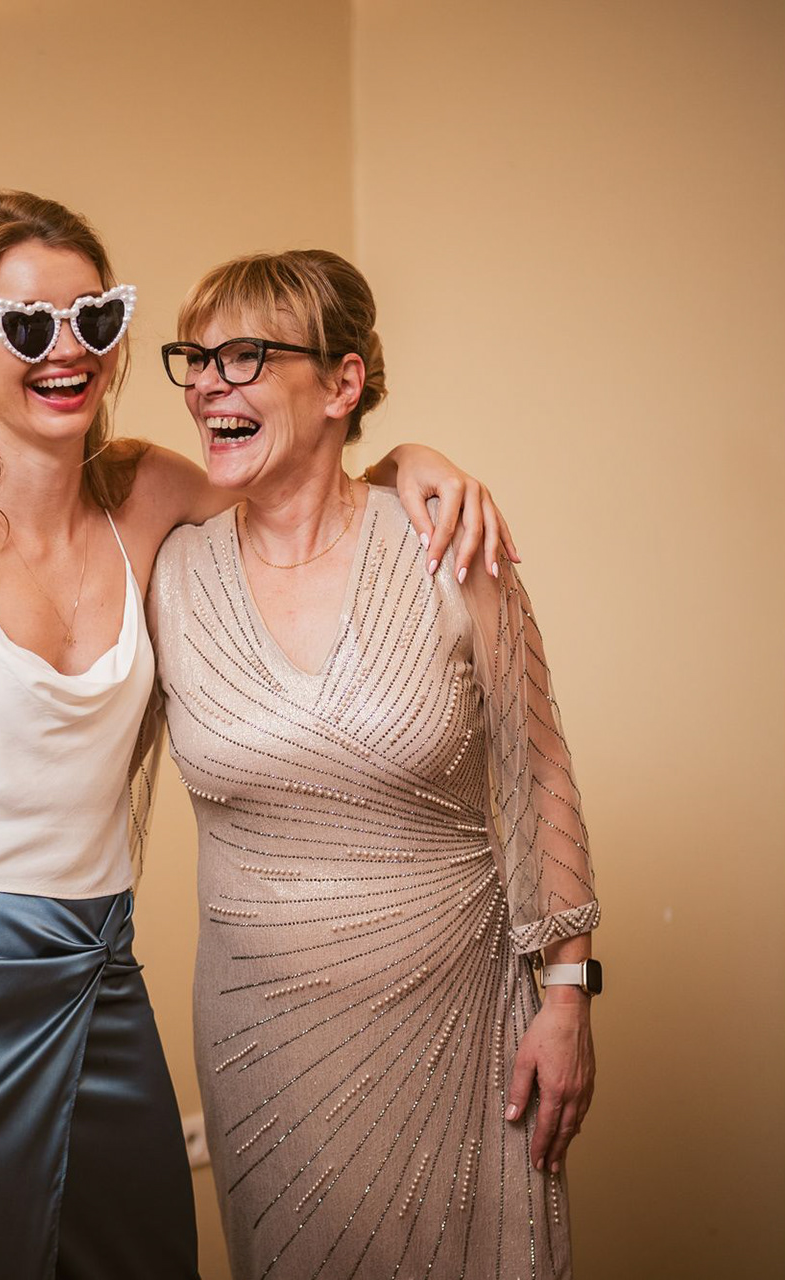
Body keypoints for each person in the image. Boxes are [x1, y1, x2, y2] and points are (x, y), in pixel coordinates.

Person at [0, 191, 511, 1278]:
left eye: (95, 317)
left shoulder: (150, 494)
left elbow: (306, 483)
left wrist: (410, 461)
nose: (66, 349)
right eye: (25, 325)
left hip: (98, 975)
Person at [148, 250, 599, 1277]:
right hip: (264, 1052)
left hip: (465, 1026)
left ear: (341, 383)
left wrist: (569, 996)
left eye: (245, 355)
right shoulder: (170, 573)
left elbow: (541, 771)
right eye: (196, 359)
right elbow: (60, 726)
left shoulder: (450, 541)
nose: (209, 383)